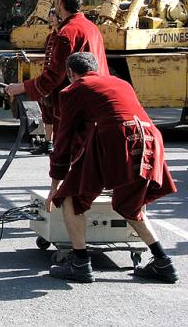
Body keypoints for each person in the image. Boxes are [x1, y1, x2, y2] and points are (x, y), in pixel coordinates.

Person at [45, 52, 178, 284]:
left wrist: (55, 185)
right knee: (129, 205)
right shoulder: (120, 82)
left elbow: (64, 140)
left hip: (117, 136)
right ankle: (163, 262)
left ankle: (80, 264)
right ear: (96, 67)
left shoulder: (73, 90)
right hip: (150, 136)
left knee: (71, 197)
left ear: (70, 74)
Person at [5, 0, 110, 134]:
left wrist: (20, 87)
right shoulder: (91, 28)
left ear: (60, 2)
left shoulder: (67, 33)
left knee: (66, 155)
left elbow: (53, 76)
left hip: (76, 107)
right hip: (94, 103)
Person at [28, 8, 61, 155]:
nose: (51, 18)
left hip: (57, 81)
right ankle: (48, 142)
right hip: (48, 78)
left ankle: (58, 143)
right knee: (46, 112)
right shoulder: (50, 37)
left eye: (54, 15)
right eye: (50, 15)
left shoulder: (62, 36)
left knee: (58, 113)